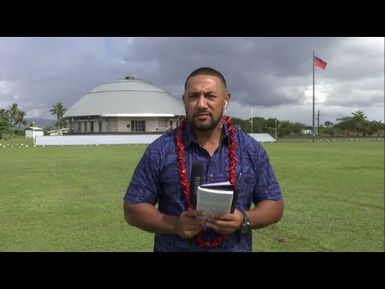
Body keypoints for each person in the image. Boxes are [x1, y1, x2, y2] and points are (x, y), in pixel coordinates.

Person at [123, 67, 283, 252]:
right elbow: (132, 208)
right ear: (184, 101)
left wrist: (244, 219)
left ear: (226, 100)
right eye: (193, 96)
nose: (201, 104)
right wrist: (175, 225)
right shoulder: (161, 150)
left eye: (210, 96)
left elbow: (274, 204)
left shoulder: (251, 150)